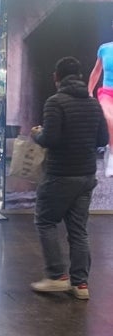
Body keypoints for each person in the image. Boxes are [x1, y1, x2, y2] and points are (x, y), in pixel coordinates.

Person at [30, 57, 108, 300]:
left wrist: (37, 134)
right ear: (81, 77)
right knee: (78, 231)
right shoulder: (94, 104)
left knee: (45, 221)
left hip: (60, 174)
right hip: (86, 175)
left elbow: (50, 139)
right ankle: (80, 284)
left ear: (56, 77)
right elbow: (102, 140)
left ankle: (56, 276)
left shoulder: (55, 102)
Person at [87, 39, 113, 176]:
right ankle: (112, 159)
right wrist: (89, 91)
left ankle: (110, 146)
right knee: (109, 118)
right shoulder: (104, 49)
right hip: (107, 92)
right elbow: (97, 71)